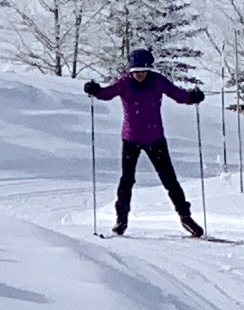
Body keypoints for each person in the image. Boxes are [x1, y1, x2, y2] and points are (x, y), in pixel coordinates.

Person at [85, 48, 207, 237]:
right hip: (130, 139)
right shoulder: (124, 83)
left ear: (149, 70)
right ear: (130, 71)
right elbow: (107, 93)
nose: (139, 75)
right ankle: (121, 220)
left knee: (169, 180)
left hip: (155, 139)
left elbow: (178, 95)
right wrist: (95, 91)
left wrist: (192, 97)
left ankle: (186, 217)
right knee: (127, 180)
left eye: (142, 71)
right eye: (135, 72)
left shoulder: (157, 81)